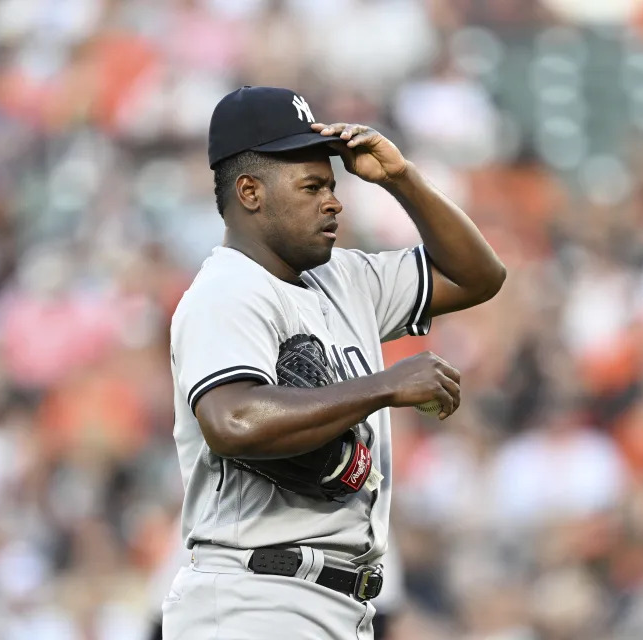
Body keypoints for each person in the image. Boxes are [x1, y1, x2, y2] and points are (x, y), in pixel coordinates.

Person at [165, 86, 506, 640]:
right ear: (250, 191)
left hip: (336, 605)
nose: (334, 200)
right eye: (311, 186)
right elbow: (232, 421)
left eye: (332, 184)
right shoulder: (226, 290)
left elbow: (479, 276)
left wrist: (402, 180)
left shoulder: (345, 277)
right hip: (255, 601)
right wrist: (382, 386)